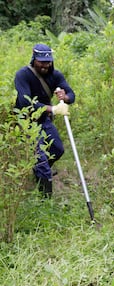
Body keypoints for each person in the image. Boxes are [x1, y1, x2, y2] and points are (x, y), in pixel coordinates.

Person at [14, 43, 75, 198]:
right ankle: (45, 201)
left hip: (43, 121)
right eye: (41, 61)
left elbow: (71, 94)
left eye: (47, 62)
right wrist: (52, 109)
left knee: (57, 149)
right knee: (41, 161)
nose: (45, 65)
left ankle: (39, 174)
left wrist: (65, 96)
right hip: (26, 122)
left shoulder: (55, 75)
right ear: (34, 59)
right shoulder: (22, 75)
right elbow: (25, 102)